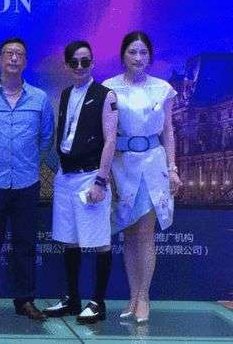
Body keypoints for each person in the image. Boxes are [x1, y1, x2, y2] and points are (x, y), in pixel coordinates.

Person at [0, 38, 54, 321]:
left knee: (25, 245)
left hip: (27, 182)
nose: (14, 58)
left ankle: (25, 300)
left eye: (19, 54)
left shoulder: (40, 99)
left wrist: (29, 162)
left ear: (25, 62)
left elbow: (46, 139)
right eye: (9, 54)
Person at [103, 31, 182, 323]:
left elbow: (168, 131)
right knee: (128, 232)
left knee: (146, 233)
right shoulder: (108, 87)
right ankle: (132, 296)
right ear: (123, 55)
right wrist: (105, 172)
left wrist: (172, 168)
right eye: (133, 52)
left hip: (152, 164)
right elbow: (106, 133)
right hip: (122, 165)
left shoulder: (163, 89)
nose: (138, 58)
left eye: (143, 53)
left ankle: (144, 297)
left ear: (150, 56)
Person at [44, 40, 118, 324]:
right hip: (66, 176)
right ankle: (72, 298)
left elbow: (110, 140)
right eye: (74, 62)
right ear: (67, 65)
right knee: (70, 239)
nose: (79, 67)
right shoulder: (66, 94)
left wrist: (101, 180)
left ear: (93, 63)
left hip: (91, 176)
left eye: (85, 61)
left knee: (99, 241)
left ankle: (98, 302)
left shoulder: (105, 95)